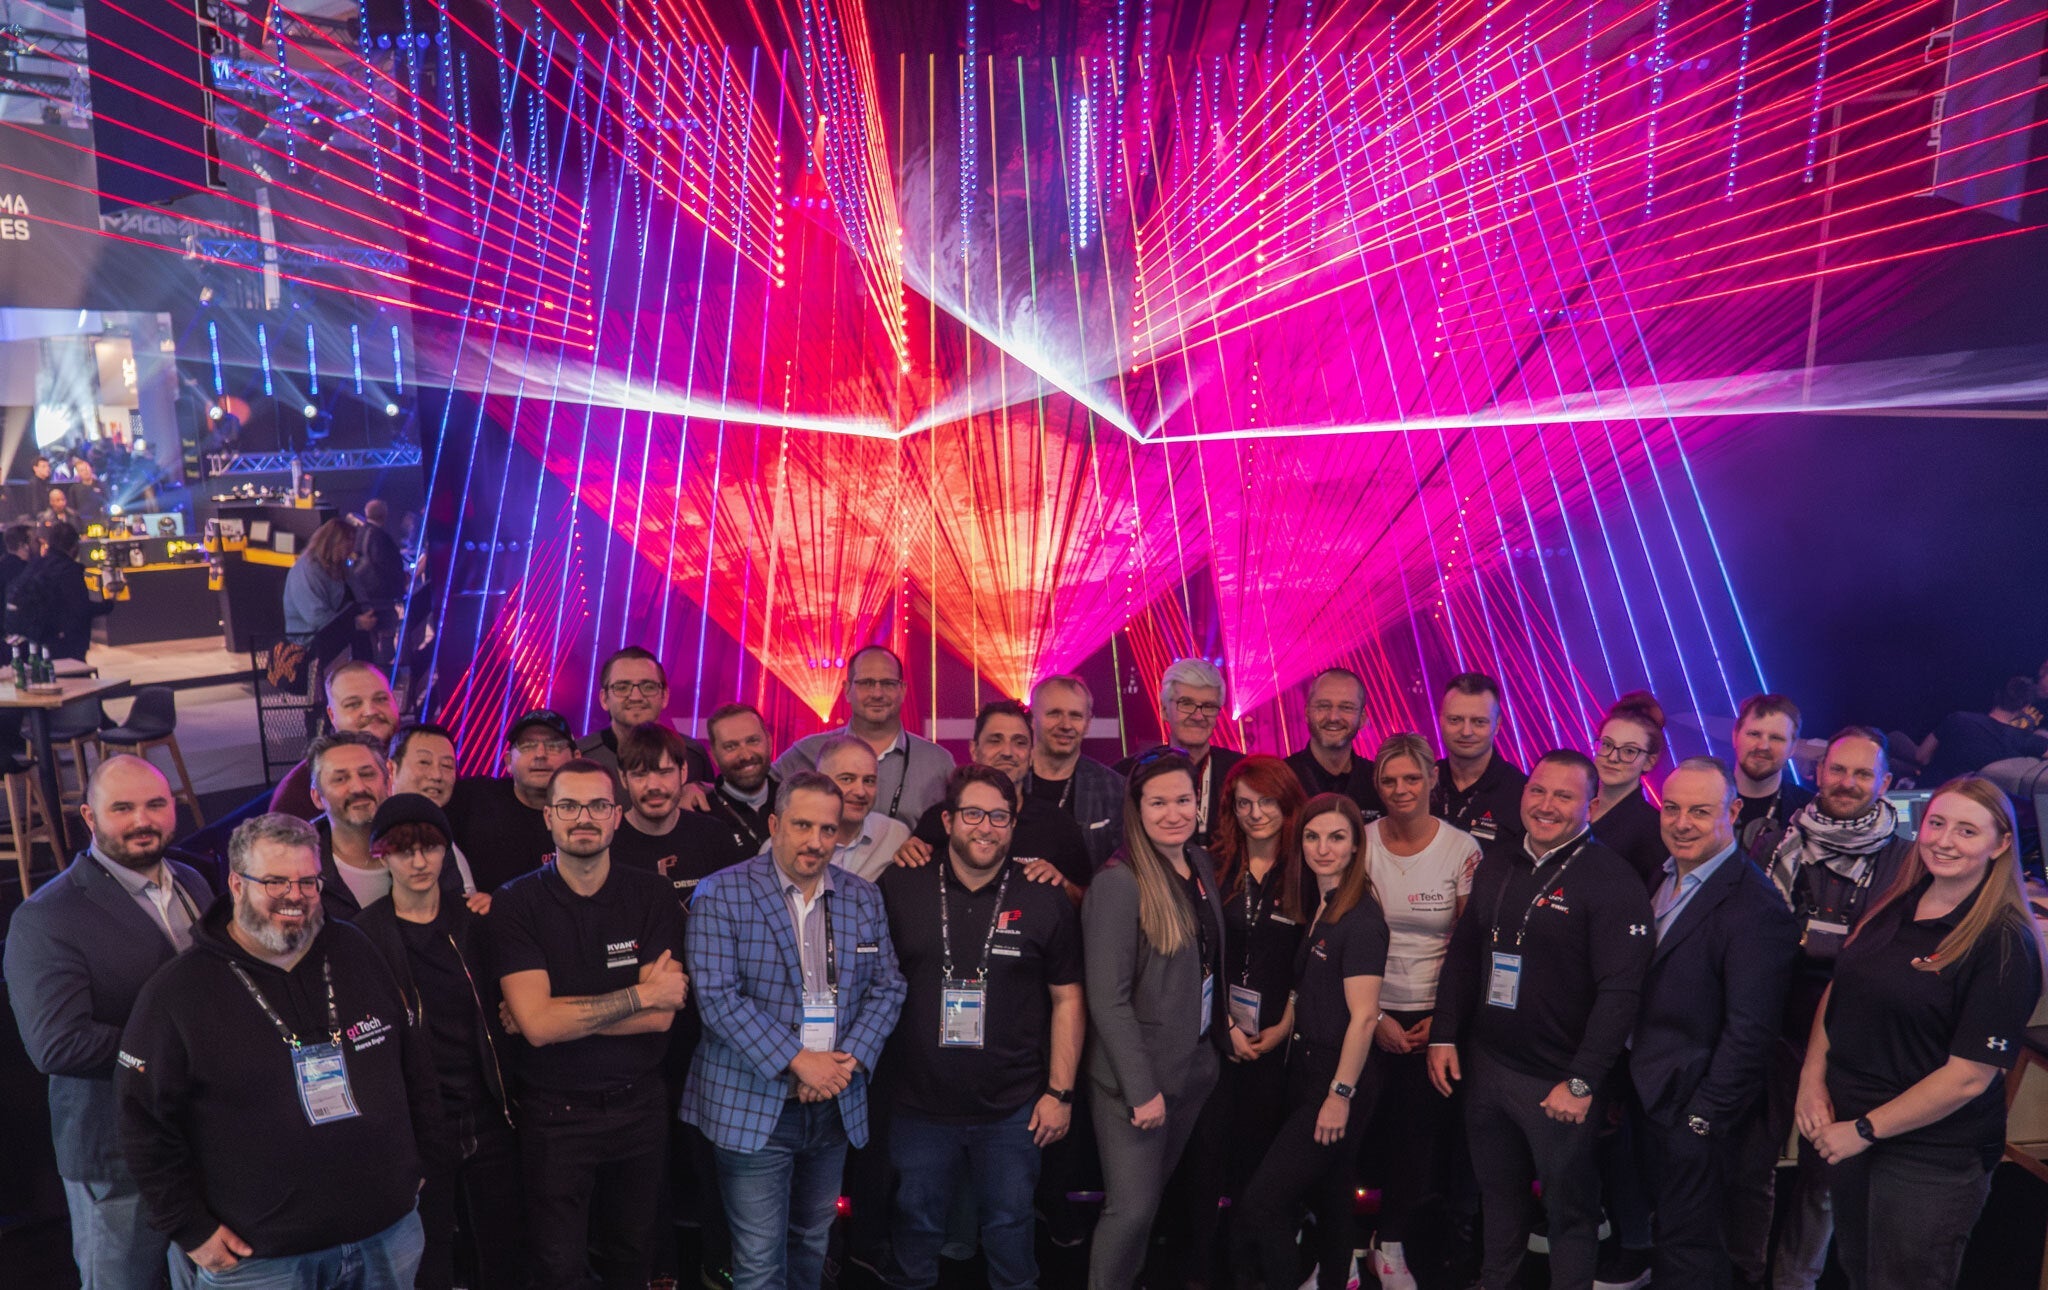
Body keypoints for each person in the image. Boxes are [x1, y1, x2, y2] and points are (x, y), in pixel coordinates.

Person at [116, 813, 439, 1286]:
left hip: (386, 1235)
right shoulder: (178, 992)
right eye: (275, 881)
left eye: (307, 881)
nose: (296, 895)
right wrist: (190, 1228)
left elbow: (413, 1063)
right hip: (264, 1259)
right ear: (236, 884)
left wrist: (423, 1161)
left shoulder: (355, 949)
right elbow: (141, 1121)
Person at [1797, 775, 2043, 1290]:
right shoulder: (1895, 903)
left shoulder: (2003, 942)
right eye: (1936, 823)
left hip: (1928, 1158)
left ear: (2000, 845)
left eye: (1967, 831)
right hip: (1852, 1137)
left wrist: (1863, 1129)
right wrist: (1811, 1077)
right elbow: (1841, 991)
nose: (1944, 840)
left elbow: (1969, 1079)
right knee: (1860, 1272)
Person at [1427, 751, 1655, 1290]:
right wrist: (1442, 1033)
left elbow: (1621, 995)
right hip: (1488, 1069)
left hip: (1558, 1084)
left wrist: (1581, 1082)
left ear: (1591, 806)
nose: (1546, 805)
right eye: (1538, 791)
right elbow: (1464, 953)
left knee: (1569, 1216)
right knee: (1499, 1200)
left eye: (1564, 796)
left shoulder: (1612, 881)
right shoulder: (1499, 861)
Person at [680, 772, 907, 1290]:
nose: (815, 841)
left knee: (811, 1241)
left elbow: (889, 988)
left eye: (828, 829)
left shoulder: (862, 897)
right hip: (753, 1103)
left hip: (834, 1103)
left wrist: (843, 1064)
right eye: (803, 826)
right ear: (775, 824)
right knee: (759, 1260)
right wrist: (802, 1062)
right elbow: (717, 999)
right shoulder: (722, 893)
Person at [5, 756, 212, 1290]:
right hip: (114, 1155)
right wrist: (184, 1053)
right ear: (89, 818)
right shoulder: (47, 916)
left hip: (204, 1140)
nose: (142, 819)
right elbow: (59, 1045)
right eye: (122, 808)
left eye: (155, 804)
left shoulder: (194, 883)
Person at [878, 765, 1086, 1290]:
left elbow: (1068, 1000)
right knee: (915, 1233)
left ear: (1014, 825)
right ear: (947, 820)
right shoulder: (900, 884)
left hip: (1013, 1108)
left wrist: (1059, 1093)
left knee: (1011, 1233)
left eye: (999, 816)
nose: (985, 827)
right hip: (917, 1105)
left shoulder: (1043, 893)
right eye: (973, 814)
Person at [491, 758, 689, 1290]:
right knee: (557, 1266)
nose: (585, 817)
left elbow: (661, 1017)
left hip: (639, 1106)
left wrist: (561, 1017)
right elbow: (536, 1026)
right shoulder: (516, 902)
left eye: (599, 805)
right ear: (548, 817)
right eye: (570, 806)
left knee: (632, 1257)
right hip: (555, 1114)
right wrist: (639, 995)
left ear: (617, 816)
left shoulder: (651, 894)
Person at [1744, 727, 1915, 1290]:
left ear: (1885, 783)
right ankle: (1741, 1274)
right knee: (1750, 1167)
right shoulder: (1772, 841)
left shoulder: (1907, 860)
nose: (1847, 783)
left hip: (1851, 1037)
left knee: (1824, 1180)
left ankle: (1795, 1282)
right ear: (1816, 773)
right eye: (1838, 770)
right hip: (1770, 1024)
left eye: (1863, 774)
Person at [1625, 758, 1799, 1290]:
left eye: (1701, 812)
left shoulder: (1754, 906)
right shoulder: (1666, 874)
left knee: (1692, 1254)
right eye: (1672, 808)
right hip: (1653, 1095)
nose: (1682, 823)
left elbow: (1750, 1034)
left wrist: (1702, 1122)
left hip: (1698, 1113)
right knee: (1668, 1240)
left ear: (1734, 811)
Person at [352, 795, 524, 1290]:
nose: (420, 862)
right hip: (419, 1121)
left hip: (489, 1109)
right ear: (382, 855)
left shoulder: (476, 920)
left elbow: (505, 998)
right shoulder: (363, 936)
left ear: (447, 850)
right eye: (404, 850)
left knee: (502, 1248)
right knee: (428, 1255)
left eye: (429, 847)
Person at [1081, 750, 1227, 1289]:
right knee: (1132, 1211)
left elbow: (1206, 964)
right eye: (1159, 802)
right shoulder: (1119, 882)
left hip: (1194, 1068)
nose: (1173, 813)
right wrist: (1141, 1090)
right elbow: (1108, 999)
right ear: (1136, 808)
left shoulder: (1200, 863)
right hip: (1135, 1082)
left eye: (1183, 800)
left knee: (1153, 1206)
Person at [1234, 794, 1389, 1290]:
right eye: (1312, 836)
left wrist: (1339, 1096)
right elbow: (1312, 989)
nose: (1323, 847)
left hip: (1337, 1079)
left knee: (1263, 1203)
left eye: (1337, 837)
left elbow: (1364, 1018)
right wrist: (1283, 1027)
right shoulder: (1324, 901)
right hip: (1307, 1067)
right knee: (1334, 1194)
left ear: (1354, 847)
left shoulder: (1361, 918)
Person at [1172, 754, 1308, 1285]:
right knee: (1204, 1165)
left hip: (1280, 1043)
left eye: (1267, 801)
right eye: (1244, 803)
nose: (1255, 814)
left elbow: (1315, 955)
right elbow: (1196, 954)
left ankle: (1249, 1270)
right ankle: (1199, 1271)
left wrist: (1289, 1019)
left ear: (1287, 803)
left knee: (1260, 1170)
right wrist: (1224, 1022)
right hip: (1214, 1038)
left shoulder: (1307, 866)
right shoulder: (1210, 864)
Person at [1358, 733, 1482, 1290]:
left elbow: (1469, 945)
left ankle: (1392, 1245)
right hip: (1364, 1013)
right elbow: (1340, 940)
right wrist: (1374, 1016)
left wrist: (1446, 1023)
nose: (1401, 789)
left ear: (1434, 778)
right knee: (1351, 1134)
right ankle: (1341, 1239)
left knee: (1416, 1142)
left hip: (1433, 1016)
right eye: (1389, 780)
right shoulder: (1358, 843)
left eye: (1412, 778)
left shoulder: (1462, 849)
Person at [900, 700, 1092, 893]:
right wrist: (908, 853)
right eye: (995, 740)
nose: (1008, 752)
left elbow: (1088, 903)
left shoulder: (1057, 824)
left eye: (1019, 742)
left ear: (1031, 753)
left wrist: (1063, 886)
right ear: (974, 749)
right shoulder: (940, 818)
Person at [775, 645, 955, 827]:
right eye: (866, 683)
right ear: (846, 690)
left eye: (888, 684)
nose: (877, 693)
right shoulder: (807, 752)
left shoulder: (938, 762)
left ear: (903, 690)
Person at [1116, 657, 1245, 848]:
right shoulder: (1129, 774)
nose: (1198, 716)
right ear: (1164, 710)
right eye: (1186, 703)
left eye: (1208, 706)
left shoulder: (1242, 772)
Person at [610, 720, 742, 901]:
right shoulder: (607, 844)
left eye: (664, 772)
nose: (654, 786)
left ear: (684, 771)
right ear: (623, 778)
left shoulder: (714, 836)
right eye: (640, 774)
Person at [444, 708, 574, 891]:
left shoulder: (589, 813)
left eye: (553, 745)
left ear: (576, 758)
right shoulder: (472, 799)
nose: (540, 754)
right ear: (507, 761)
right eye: (527, 746)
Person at [270, 660, 402, 820]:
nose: (370, 711)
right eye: (353, 704)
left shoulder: (426, 759)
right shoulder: (298, 791)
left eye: (381, 699)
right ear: (332, 715)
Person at [1026, 673, 1126, 870]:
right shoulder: (1007, 783)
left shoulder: (1116, 789)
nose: (1065, 725)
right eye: (1054, 713)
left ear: (1088, 723)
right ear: (1032, 719)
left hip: (1089, 900)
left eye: (1075, 715)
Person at [577, 645, 714, 782]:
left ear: (664, 696)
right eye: (622, 688)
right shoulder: (579, 757)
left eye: (648, 687)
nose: (636, 697)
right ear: (604, 699)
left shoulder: (693, 756)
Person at [304, 732, 399, 922]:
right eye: (340, 779)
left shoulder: (426, 844)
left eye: (367, 774)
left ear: (388, 784)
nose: (358, 787)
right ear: (317, 797)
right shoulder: (298, 867)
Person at [386, 721, 484, 903]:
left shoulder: (450, 837)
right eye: (424, 762)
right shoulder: (371, 831)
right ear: (391, 769)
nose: (437, 775)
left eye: (447, 766)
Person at [1431, 672, 1527, 848]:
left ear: (1497, 725)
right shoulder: (1422, 784)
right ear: (1441, 721)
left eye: (1479, 722)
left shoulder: (1521, 792)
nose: (1466, 731)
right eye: (1455, 720)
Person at [1589, 691, 1669, 889]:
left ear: (1649, 762)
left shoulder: (1654, 830)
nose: (1613, 757)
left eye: (1629, 751)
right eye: (1607, 745)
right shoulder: (1571, 804)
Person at [1285, 666, 1384, 818]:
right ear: (1307, 713)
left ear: (1362, 718)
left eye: (1346, 707)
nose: (1333, 717)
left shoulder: (1379, 781)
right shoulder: (1281, 778)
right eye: (1323, 706)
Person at [812, 733, 913, 879]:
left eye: (869, 781)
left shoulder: (896, 835)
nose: (860, 792)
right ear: (819, 781)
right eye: (847, 779)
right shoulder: (788, 840)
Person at [8, 521, 112, 660]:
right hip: (65, 644)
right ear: (74, 546)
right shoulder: (69, 570)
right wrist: (108, 603)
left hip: (37, 639)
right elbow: (80, 609)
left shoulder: (36, 565)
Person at [698, 701, 782, 862]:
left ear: (769, 743)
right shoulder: (700, 815)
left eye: (753, 741)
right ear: (714, 756)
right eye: (731, 746)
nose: (745, 755)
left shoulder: (795, 803)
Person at [1732, 694, 1814, 854]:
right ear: (1735, 736)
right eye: (1754, 734)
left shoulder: (1810, 812)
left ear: (1793, 748)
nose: (1763, 746)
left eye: (1776, 738)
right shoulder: (1698, 796)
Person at [282, 518, 360, 644]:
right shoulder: (307, 569)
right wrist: (355, 623)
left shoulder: (342, 566)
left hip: (337, 634)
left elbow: (359, 594)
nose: (352, 545)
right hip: (310, 641)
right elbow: (317, 616)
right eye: (348, 540)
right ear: (334, 541)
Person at [0, 521, 33, 638]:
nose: (39, 543)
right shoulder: (25, 573)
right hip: (16, 637)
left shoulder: (3, 565)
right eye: (34, 540)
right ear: (24, 545)